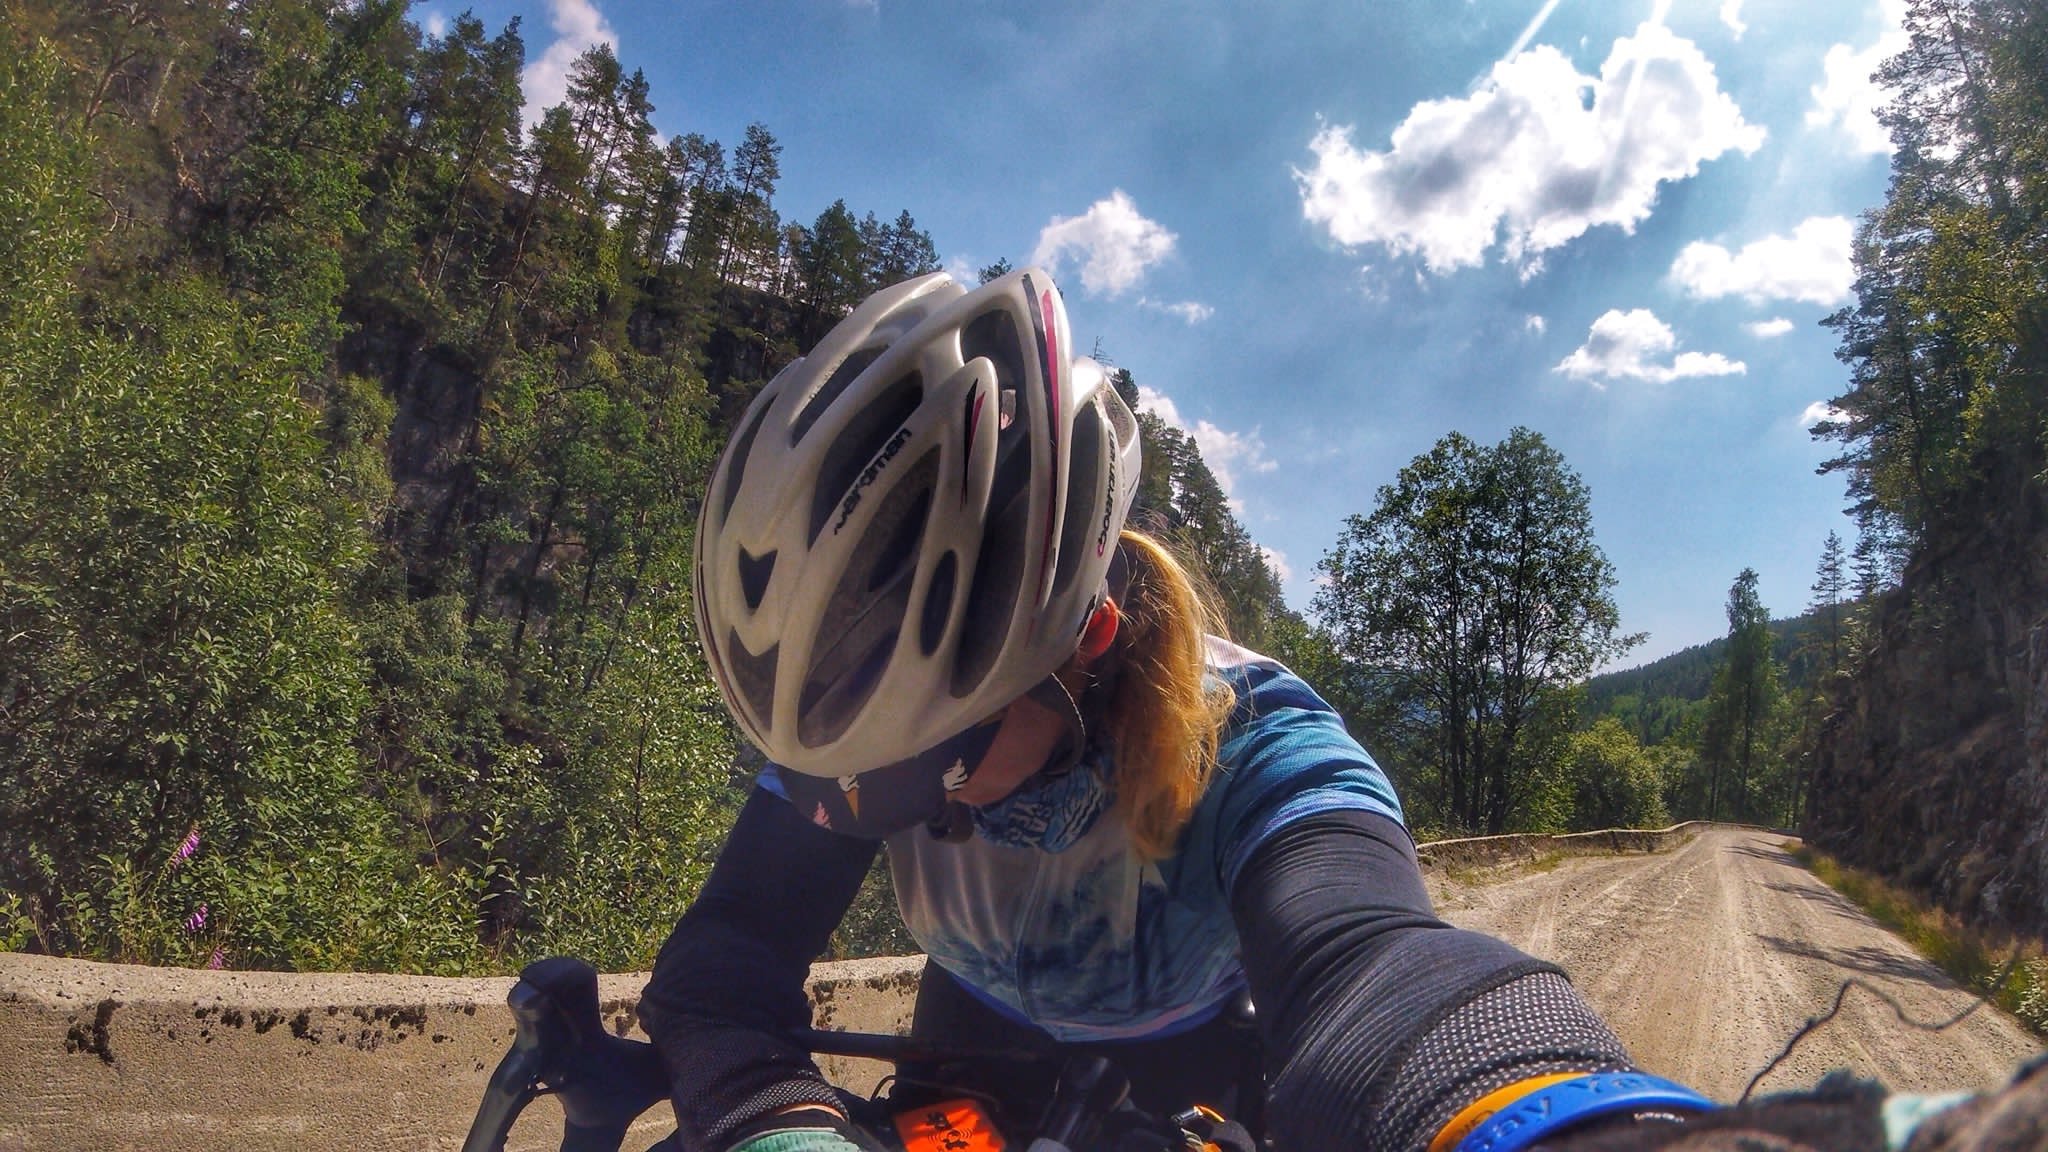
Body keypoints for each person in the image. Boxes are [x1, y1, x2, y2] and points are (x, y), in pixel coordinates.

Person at [638, 267, 1721, 1152]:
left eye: (927, 773)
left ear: (1083, 648)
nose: (871, 806)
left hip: (1199, 1071)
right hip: (966, 1038)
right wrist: (777, 1126)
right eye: (832, 789)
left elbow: (1372, 961)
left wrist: (1547, 1116)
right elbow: (727, 955)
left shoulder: (1262, 745)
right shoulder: (859, 727)